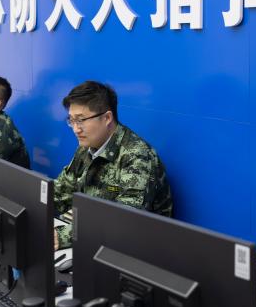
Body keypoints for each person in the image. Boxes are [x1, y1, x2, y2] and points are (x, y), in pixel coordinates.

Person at [53, 81, 172, 249]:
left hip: (137, 249)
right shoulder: (87, 148)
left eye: (81, 120)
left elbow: (124, 220)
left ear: (107, 118)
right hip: (95, 237)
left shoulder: (137, 157)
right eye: (71, 120)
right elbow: (62, 192)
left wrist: (62, 237)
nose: (75, 129)